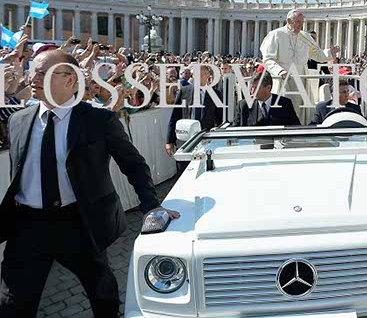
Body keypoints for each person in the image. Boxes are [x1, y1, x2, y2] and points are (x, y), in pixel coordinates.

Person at [0, 50, 179, 318]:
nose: (32, 78)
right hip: (27, 225)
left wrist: (151, 205)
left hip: (79, 223)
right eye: (31, 71)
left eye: (42, 73)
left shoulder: (98, 120)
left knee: (102, 294)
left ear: (70, 79)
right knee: (12, 304)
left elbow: (133, 164)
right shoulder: (18, 120)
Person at [165, 64, 223, 158]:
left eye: (200, 74)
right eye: (194, 75)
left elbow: (220, 118)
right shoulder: (184, 91)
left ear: (208, 75)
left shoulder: (216, 95)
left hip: (207, 142)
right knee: (184, 165)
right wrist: (169, 141)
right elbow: (175, 116)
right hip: (185, 141)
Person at [233, 70, 300, 126]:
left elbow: (295, 127)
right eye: (252, 87)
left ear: (268, 88)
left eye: (256, 88)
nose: (252, 91)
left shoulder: (285, 104)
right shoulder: (243, 106)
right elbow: (234, 130)